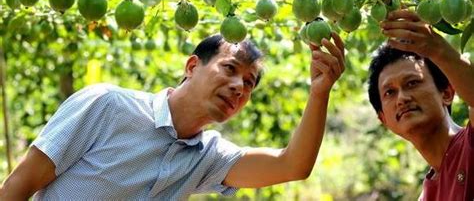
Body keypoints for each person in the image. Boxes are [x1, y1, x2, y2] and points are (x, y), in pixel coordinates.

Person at [0, 33, 345, 200]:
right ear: (193, 66)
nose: (240, 86)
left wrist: (319, 92)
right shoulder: (106, 105)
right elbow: (21, 183)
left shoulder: (208, 156)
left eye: (250, 83)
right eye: (229, 68)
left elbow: (291, 166)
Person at [368, 9, 474, 200]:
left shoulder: (470, 145)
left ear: (447, 93)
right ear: (383, 118)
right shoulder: (426, 196)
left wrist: (438, 50)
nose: (401, 98)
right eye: (389, 92)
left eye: (412, 83)